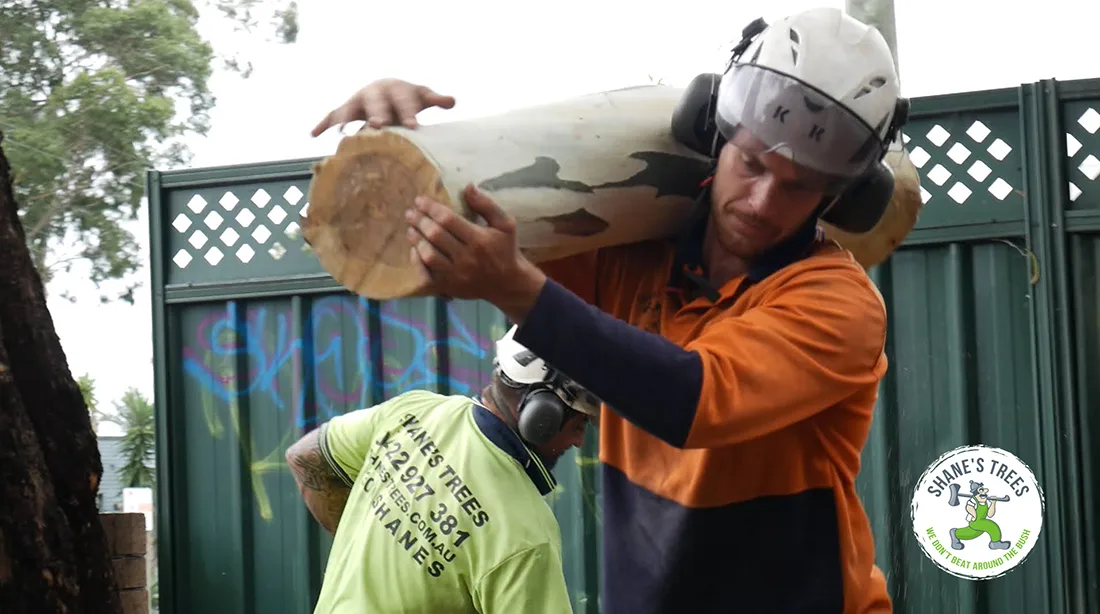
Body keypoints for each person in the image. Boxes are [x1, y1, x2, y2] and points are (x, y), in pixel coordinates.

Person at [311, 7, 902, 612]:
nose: (761, 201)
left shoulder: (838, 303)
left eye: (799, 186)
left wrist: (515, 288)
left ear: (841, 197)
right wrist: (405, 139)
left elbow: (691, 398)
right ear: (713, 131)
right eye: (751, 163)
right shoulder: (628, 254)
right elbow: (482, 232)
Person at [285, 325, 601, 613]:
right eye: (579, 421)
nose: (577, 440)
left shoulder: (414, 411)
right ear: (541, 413)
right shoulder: (527, 535)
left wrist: (376, 549)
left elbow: (305, 457)